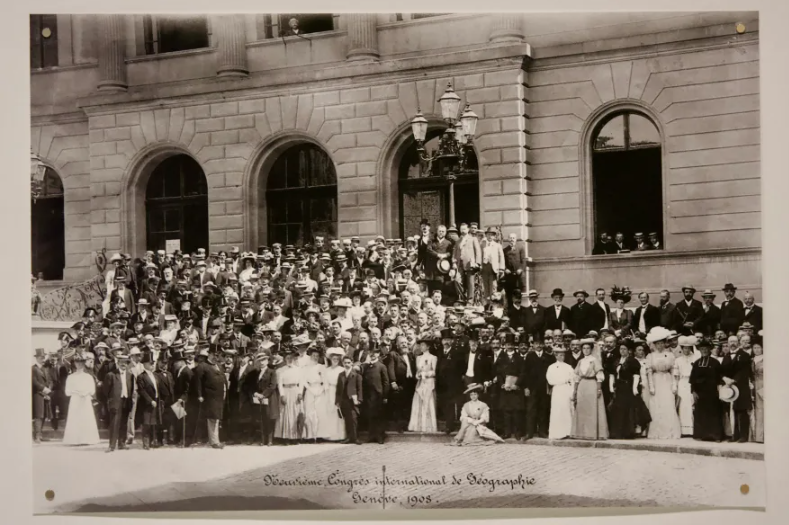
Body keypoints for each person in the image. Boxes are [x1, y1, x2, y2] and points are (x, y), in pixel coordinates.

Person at [644, 327, 681, 439]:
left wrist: (674, 385)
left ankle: (670, 431)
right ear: (654, 344)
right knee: (656, 405)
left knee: (668, 403)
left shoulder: (670, 355)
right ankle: (657, 432)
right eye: (657, 344)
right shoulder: (650, 356)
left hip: (667, 380)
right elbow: (649, 371)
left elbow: (674, 370)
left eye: (661, 343)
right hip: (656, 380)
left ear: (665, 344)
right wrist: (651, 386)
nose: (660, 346)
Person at [571, 339, 608, 440]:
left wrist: (599, 389)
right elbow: (577, 377)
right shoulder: (581, 361)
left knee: (591, 409)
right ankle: (582, 433)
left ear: (591, 349)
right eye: (584, 348)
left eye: (588, 348)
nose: (585, 350)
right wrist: (575, 390)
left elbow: (600, 375)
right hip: (582, 386)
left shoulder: (594, 361)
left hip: (592, 385)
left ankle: (592, 433)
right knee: (582, 409)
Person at [688, 338, 724, 442]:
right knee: (700, 414)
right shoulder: (696, 363)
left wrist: (719, 391)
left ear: (710, 350)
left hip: (712, 392)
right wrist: (693, 391)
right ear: (699, 350)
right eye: (702, 349)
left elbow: (719, 378)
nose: (704, 351)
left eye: (706, 349)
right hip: (700, 393)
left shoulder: (715, 362)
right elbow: (692, 379)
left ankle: (716, 436)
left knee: (714, 413)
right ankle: (701, 435)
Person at [62, 353, 101, 446]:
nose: (79, 364)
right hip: (75, 400)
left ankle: (87, 439)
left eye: (81, 362)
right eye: (77, 362)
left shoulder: (88, 377)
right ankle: (74, 439)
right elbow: (67, 392)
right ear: (74, 364)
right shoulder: (70, 377)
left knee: (86, 418)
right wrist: (76, 392)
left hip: (85, 400)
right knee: (75, 419)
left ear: (84, 363)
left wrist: (85, 393)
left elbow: (92, 390)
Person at [607, 341, 643, 439]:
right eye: (621, 349)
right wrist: (611, 387)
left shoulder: (632, 361)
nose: (622, 351)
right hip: (618, 388)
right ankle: (617, 433)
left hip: (628, 387)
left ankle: (628, 432)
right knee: (617, 409)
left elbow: (636, 375)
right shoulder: (616, 361)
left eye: (624, 349)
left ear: (629, 351)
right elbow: (611, 375)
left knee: (628, 409)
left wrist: (634, 388)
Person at [721, 335, 753, 442]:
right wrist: (724, 378)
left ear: (738, 342)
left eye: (734, 341)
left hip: (741, 386)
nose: (732, 343)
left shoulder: (744, 355)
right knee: (731, 410)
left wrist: (734, 380)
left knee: (741, 411)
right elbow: (722, 370)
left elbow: (744, 371)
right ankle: (734, 434)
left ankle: (743, 435)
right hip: (729, 387)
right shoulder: (726, 356)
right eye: (730, 342)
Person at [194, 347, 227, 449]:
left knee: (216, 418)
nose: (216, 357)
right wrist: (199, 395)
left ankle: (215, 440)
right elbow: (198, 382)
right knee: (212, 418)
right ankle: (214, 442)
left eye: (218, 355)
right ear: (209, 354)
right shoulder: (203, 366)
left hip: (219, 396)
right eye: (214, 355)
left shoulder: (219, 366)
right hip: (210, 397)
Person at [523, 338, 555, 440]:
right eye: (536, 343)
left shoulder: (548, 357)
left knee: (543, 409)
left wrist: (550, 387)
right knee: (531, 410)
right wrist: (526, 387)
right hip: (532, 388)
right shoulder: (529, 356)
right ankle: (530, 432)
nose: (539, 346)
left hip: (544, 387)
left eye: (540, 343)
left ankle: (542, 431)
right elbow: (525, 373)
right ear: (533, 345)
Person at [408, 337, 438, 433]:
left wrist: (425, 374)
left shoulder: (433, 358)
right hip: (420, 383)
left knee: (428, 402)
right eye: (420, 345)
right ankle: (418, 425)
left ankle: (428, 426)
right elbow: (417, 371)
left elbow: (434, 372)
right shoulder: (418, 358)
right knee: (418, 401)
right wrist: (418, 375)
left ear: (428, 347)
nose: (421, 347)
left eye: (423, 345)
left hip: (429, 382)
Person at [362, 347, 390, 444]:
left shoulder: (381, 366)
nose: (373, 355)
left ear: (378, 354)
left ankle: (380, 436)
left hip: (379, 396)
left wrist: (385, 396)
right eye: (371, 353)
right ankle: (371, 436)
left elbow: (386, 382)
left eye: (375, 353)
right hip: (369, 396)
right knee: (370, 415)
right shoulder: (366, 367)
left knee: (379, 416)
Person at [546, 347, 574, 439]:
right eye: (560, 355)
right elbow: (550, 380)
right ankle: (558, 433)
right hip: (557, 390)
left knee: (567, 409)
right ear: (556, 356)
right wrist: (563, 380)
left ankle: (568, 432)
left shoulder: (568, 366)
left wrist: (572, 390)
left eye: (563, 355)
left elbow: (573, 378)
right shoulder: (551, 367)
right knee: (557, 410)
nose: (562, 357)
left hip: (566, 389)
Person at [136, 353, 161, 450]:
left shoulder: (155, 375)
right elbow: (142, 390)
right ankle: (146, 443)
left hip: (156, 401)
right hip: (147, 403)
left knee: (153, 423)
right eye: (150, 363)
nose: (152, 365)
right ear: (145, 365)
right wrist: (150, 401)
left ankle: (152, 442)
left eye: (153, 363)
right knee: (146, 423)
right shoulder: (141, 376)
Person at [320, 348, 346, 441]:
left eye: (337, 359)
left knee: (338, 412)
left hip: (338, 392)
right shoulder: (327, 370)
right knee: (329, 411)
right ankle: (329, 435)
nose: (335, 361)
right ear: (330, 359)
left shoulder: (342, 370)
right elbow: (325, 382)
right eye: (333, 359)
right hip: (329, 391)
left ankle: (339, 435)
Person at [336, 355, 363, 445]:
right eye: (345, 363)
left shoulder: (356, 375)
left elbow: (360, 388)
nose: (347, 364)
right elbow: (338, 389)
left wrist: (359, 399)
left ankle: (355, 438)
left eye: (348, 362)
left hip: (353, 399)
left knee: (354, 418)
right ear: (342, 363)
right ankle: (348, 437)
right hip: (344, 400)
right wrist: (337, 401)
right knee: (347, 419)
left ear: (352, 363)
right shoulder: (341, 375)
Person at [675, 336, 697, 436]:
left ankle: (693, 429)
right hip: (682, 383)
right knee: (683, 405)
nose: (686, 350)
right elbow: (676, 374)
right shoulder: (678, 360)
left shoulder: (696, 358)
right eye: (684, 348)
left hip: (692, 382)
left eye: (688, 348)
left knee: (692, 403)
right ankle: (684, 430)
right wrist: (675, 385)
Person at [32, 348, 53, 444]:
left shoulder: (46, 369)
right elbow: (34, 382)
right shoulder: (33, 368)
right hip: (37, 394)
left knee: (44, 414)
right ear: (37, 358)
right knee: (38, 415)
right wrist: (44, 389)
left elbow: (50, 380)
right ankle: (36, 436)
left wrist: (49, 388)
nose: (43, 359)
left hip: (46, 394)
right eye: (41, 357)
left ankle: (40, 435)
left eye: (44, 357)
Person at [751, 341, 764, 443]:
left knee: (762, 410)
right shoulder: (751, 360)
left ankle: (763, 436)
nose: (756, 350)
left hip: (763, 385)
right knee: (755, 410)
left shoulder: (765, 359)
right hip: (753, 386)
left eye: (758, 347)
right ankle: (756, 436)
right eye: (754, 348)